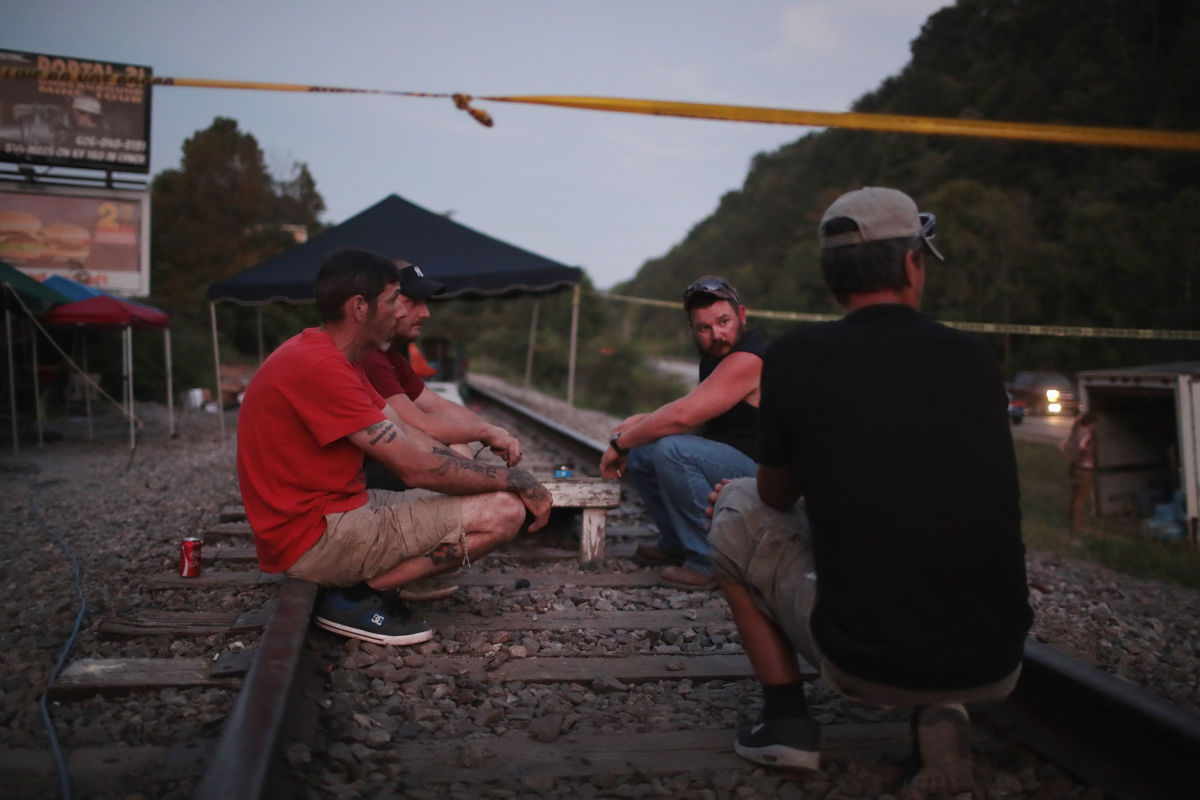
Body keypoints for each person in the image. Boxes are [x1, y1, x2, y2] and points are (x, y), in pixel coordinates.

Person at [707, 187, 1032, 794]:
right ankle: (941, 711)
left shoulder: (798, 358)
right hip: (998, 658)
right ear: (913, 263)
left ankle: (785, 723)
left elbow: (775, 496)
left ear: (832, 278)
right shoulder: (974, 359)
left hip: (867, 662)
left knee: (736, 504)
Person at [237, 247, 552, 646]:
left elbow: (407, 432)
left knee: (491, 492)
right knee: (505, 511)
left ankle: (359, 589)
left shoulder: (334, 355)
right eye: (392, 302)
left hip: (338, 511)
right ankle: (356, 597)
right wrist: (514, 480)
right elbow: (413, 467)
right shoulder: (321, 367)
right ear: (359, 307)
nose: (400, 312)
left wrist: (482, 470)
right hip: (315, 536)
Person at [599, 276, 766, 589]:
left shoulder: (748, 358)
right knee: (646, 450)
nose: (716, 334)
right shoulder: (717, 357)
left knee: (671, 449)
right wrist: (644, 423)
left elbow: (682, 417)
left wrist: (620, 444)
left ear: (741, 315)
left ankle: (709, 560)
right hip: (736, 460)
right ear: (693, 328)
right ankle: (678, 540)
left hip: (768, 476)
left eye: (724, 321)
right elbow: (704, 417)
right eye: (704, 328)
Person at [360, 262, 523, 488]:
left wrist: (495, 434)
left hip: (384, 463)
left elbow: (437, 405)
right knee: (455, 447)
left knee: (462, 441)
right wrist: (486, 433)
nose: (425, 313)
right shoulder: (368, 356)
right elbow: (421, 425)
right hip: (361, 479)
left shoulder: (390, 354)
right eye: (413, 301)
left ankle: (469, 501)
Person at [1060, 412, 1097, 535]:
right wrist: (1083, 456)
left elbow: (1063, 445)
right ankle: (1076, 529)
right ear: (1091, 424)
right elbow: (1082, 447)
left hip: (1077, 469)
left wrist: (1071, 458)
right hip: (1086, 470)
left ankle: (1075, 524)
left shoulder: (1076, 432)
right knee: (1081, 499)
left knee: (1075, 498)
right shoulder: (1087, 434)